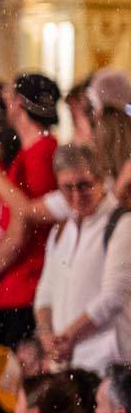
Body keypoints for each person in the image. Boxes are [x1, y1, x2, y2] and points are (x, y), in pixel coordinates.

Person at [0, 74, 64, 345]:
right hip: (14, 287)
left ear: (18, 104)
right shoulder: (31, 151)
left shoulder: (42, 153)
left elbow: (23, 226)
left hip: (24, 287)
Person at [36, 146, 130, 374]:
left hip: (106, 363)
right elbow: (45, 292)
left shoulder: (121, 223)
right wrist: (47, 336)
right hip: (68, 365)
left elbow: (113, 295)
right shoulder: (60, 230)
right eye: (67, 188)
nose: (76, 195)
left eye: (84, 185)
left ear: (101, 180)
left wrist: (69, 336)